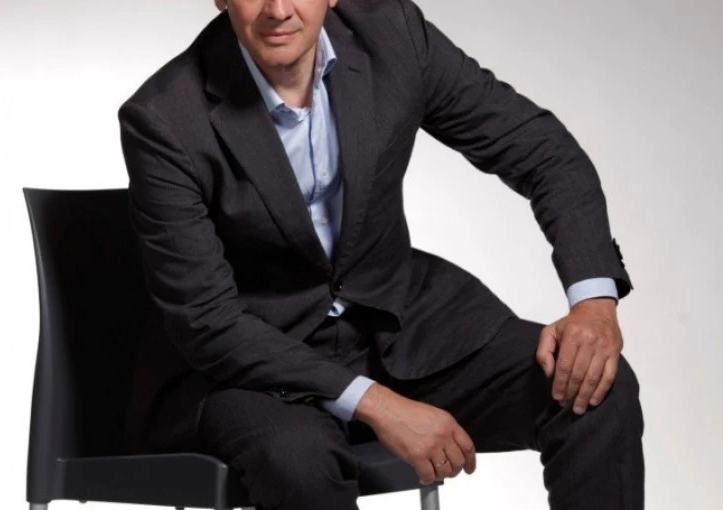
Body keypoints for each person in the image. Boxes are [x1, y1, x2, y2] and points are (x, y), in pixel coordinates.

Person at [118, 0, 644, 508]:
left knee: (597, 389)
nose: (278, 10)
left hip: (398, 325)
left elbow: (542, 152)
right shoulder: (164, 118)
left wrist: (593, 303)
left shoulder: (393, 36)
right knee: (301, 464)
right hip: (256, 366)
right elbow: (209, 321)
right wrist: (376, 403)